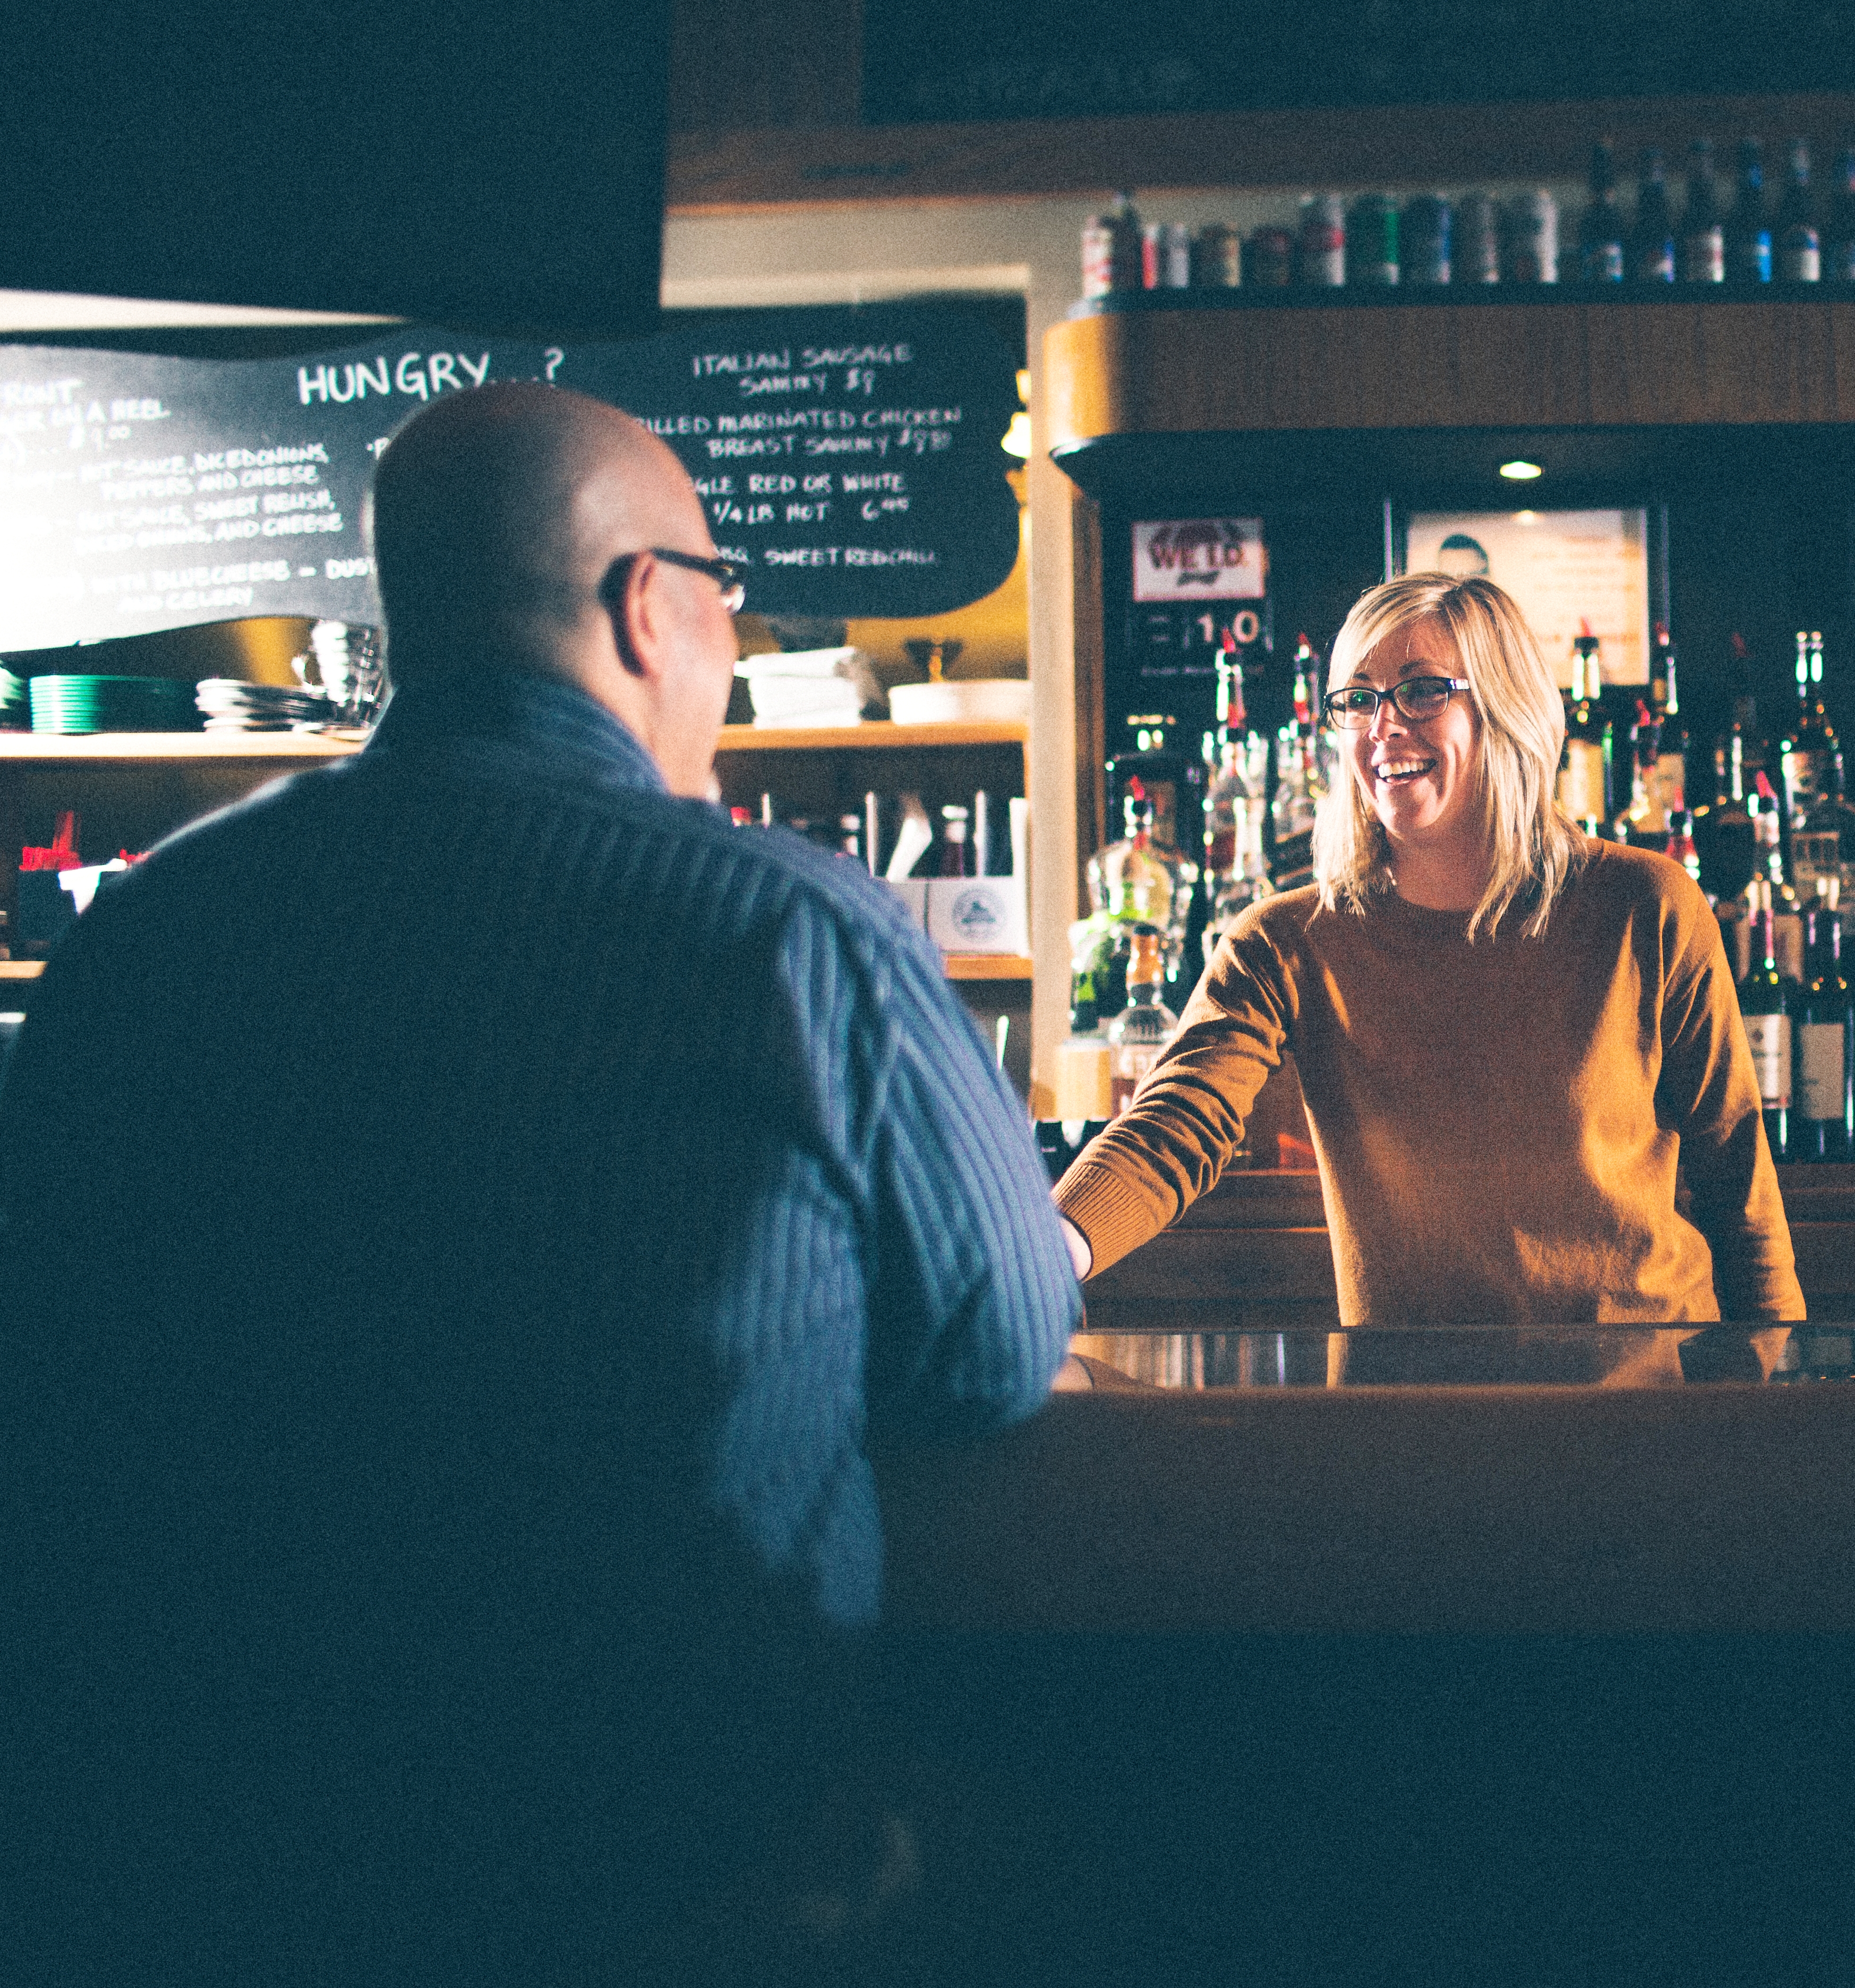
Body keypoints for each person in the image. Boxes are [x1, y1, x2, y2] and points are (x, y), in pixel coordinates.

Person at [0, 382, 1081, 1985]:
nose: (726, 645)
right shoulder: (798, 935)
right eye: (723, 599)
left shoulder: (154, 933)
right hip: (671, 1879)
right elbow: (992, 1355)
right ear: (648, 608)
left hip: (180, 1872)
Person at [1053, 573, 1799, 1349]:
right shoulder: (1286, 941)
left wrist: (1777, 1400)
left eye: (1420, 692)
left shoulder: (1643, 905)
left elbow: (1737, 1181)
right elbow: (1176, 1122)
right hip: (1411, 1410)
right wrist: (1045, 1248)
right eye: (1359, 699)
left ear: (1504, 707)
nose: (1383, 728)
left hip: (1644, 1407)